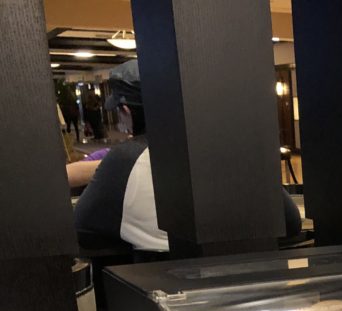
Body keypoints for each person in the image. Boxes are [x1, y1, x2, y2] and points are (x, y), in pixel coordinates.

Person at [74, 61, 301, 251]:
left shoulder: (124, 161)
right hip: (254, 290)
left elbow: (82, 230)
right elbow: (291, 224)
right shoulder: (237, 152)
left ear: (126, 111)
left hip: (165, 294)